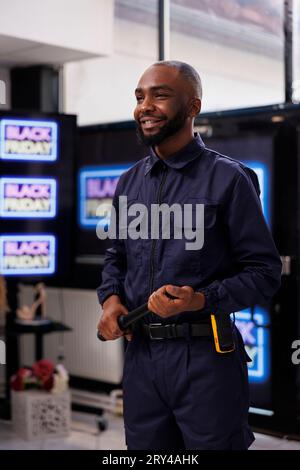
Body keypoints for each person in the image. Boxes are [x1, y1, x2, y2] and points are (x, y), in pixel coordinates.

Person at [97, 61, 282, 450]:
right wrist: (110, 300)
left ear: (193, 107)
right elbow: (116, 256)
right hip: (141, 358)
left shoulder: (230, 178)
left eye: (160, 95)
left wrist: (200, 300)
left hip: (206, 359)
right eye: (139, 96)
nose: (145, 105)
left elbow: (265, 272)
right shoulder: (128, 182)